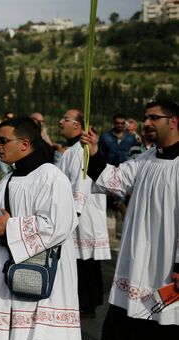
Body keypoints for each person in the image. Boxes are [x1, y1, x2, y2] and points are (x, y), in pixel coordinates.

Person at [0, 117, 81, 340]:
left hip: (45, 286)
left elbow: (58, 226)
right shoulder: (7, 180)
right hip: (11, 282)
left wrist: (12, 227)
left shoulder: (51, 177)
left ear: (25, 143)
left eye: (3, 140)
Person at [83, 100, 179, 340]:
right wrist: (93, 152)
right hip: (136, 264)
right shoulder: (145, 159)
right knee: (120, 334)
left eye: (154, 118)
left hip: (167, 267)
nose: (147, 123)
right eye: (145, 118)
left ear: (173, 122)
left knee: (163, 334)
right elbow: (113, 179)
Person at [57, 109, 110, 318]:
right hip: (75, 210)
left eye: (65, 119)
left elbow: (83, 181)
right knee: (81, 260)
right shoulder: (70, 149)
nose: (61, 122)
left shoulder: (81, 150)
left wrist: (74, 213)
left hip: (83, 214)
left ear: (78, 126)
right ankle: (85, 298)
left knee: (86, 259)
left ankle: (88, 301)